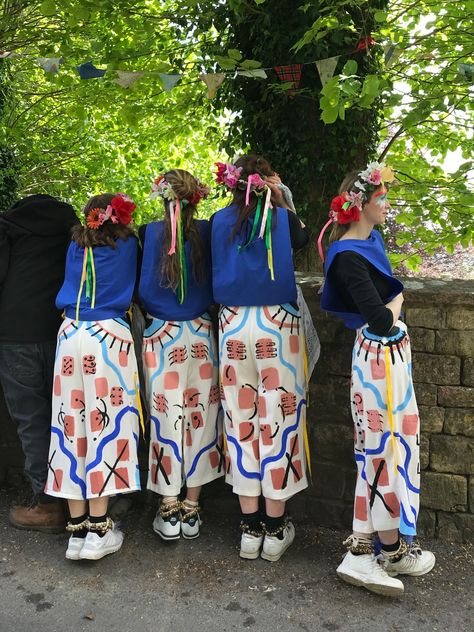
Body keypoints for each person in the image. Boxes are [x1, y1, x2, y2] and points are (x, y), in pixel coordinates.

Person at [319, 162, 435, 596]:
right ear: (361, 204)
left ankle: (387, 548)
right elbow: (382, 321)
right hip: (378, 362)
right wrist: (400, 297)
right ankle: (373, 551)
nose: (387, 204)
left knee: (393, 445)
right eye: (382, 198)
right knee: (382, 447)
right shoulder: (348, 256)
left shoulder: (371, 240)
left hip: (387, 361)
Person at [211, 155, 309, 562]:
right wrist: (282, 196)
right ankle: (275, 526)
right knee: (279, 420)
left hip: (232, 324)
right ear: (265, 180)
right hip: (276, 323)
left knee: (240, 419)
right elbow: (303, 242)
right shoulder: (281, 218)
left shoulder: (218, 221)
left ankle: (249, 530)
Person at [44, 192, 142, 560]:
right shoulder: (129, 244)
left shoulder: (75, 244)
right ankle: (99, 530)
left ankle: (77, 530)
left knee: (71, 426)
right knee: (105, 423)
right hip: (107, 338)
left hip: (70, 332)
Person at [139, 169, 223, 540]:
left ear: (162, 197)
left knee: (165, 418)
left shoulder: (148, 233)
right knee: (202, 418)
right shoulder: (208, 232)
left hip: (161, 336)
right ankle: (192, 508)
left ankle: (168, 507)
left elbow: (140, 290)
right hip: (202, 334)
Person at [0, 194, 79, 532]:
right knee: (68, 416)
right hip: (63, 332)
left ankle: (46, 505)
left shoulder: (8, 230)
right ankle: (78, 498)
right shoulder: (70, 231)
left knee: (32, 419)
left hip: (16, 334)